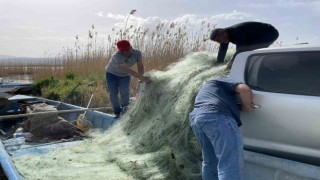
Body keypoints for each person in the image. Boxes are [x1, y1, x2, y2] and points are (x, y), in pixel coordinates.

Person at [189, 77, 253, 180]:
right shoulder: (220, 80)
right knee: (230, 163)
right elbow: (244, 89)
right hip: (216, 116)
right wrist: (247, 107)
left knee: (211, 162)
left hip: (197, 118)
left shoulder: (207, 89)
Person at [105, 40, 151, 118]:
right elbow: (127, 69)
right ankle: (116, 112)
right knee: (113, 93)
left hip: (124, 75)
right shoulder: (116, 56)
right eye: (122, 51)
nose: (125, 53)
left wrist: (141, 78)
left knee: (125, 92)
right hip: (111, 74)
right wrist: (141, 77)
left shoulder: (137, 53)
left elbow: (140, 65)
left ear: (131, 47)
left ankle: (125, 110)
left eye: (127, 50)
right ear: (119, 50)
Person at [210, 21, 279, 69]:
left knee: (251, 50)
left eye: (219, 40)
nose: (219, 42)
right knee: (248, 50)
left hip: (270, 33)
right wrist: (218, 64)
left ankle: (261, 68)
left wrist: (232, 62)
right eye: (217, 41)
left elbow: (241, 49)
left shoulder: (237, 31)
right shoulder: (224, 36)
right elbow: (222, 51)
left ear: (224, 34)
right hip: (254, 37)